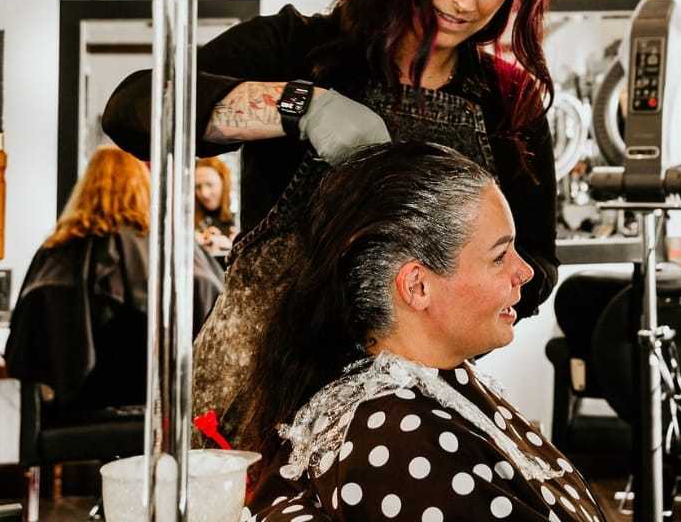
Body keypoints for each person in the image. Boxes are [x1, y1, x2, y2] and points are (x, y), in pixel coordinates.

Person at [102, 0, 558, 443]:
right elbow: (134, 107)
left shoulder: (508, 103)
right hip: (258, 380)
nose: (467, 1)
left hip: (413, 398)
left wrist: (456, 294)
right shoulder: (298, 50)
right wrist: (299, 105)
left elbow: (537, 263)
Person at [245, 142, 605, 522]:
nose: (526, 272)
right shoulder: (400, 441)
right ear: (417, 286)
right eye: (499, 256)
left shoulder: (421, 392)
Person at [5, 145, 222, 411]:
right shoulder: (176, 249)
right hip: (160, 409)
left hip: (78, 411)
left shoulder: (57, 252)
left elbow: (25, 350)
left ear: (85, 188)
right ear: (144, 187)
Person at [195, 156, 237, 260]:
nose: (204, 193)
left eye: (210, 184)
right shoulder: (191, 220)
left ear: (224, 183)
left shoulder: (239, 218)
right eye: (198, 187)